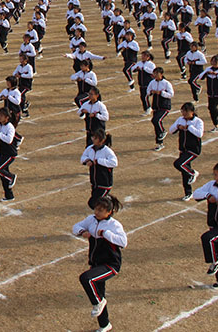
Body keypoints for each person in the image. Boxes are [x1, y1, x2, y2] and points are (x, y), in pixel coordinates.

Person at [73, 195, 127, 332]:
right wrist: (82, 231)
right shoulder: (91, 220)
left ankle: (98, 302)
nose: (97, 212)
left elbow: (123, 242)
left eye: (101, 210)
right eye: (96, 209)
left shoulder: (114, 225)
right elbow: (76, 227)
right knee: (98, 290)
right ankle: (104, 324)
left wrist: (107, 234)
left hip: (110, 264)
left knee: (86, 278)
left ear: (109, 212)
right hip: (96, 263)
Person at [0, 107, 22, 201]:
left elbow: (9, 140)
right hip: (1, 153)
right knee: (3, 176)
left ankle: (12, 177)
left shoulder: (10, 127)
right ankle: (9, 196)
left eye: (1, 116)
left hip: (9, 154)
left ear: (7, 117)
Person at [170, 102, 203, 200]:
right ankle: (188, 192)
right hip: (183, 149)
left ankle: (192, 173)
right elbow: (171, 130)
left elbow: (199, 134)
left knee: (179, 164)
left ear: (192, 112)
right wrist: (178, 127)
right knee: (184, 171)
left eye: (186, 111)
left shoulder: (198, 121)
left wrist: (189, 127)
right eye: (182, 111)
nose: (184, 113)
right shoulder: (180, 119)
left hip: (193, 150)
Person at [80, 129, 118, 209]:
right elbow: (83, 157)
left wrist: (99, 161)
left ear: (102, 140)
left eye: (95, 138)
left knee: (93, 203)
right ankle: (108, 201)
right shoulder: (90, 148)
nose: (93, 139)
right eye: (93, 137)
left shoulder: (107, 151)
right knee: (95, 201)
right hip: (94, 182)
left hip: (104, 182)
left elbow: (114, 163)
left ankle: (108, 206)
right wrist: (87, 161)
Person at [198, 54, 218, 132]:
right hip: (210, 93)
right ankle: (216, 126)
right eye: (213, 61)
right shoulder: (208, 69)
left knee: (213, 107)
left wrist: (217, 75)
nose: (213, 62)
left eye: (215, 61)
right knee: (210, 109)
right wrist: (207, 73)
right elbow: (200, 77)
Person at [148, 67, 174, 150]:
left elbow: (171, 94)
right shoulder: (152, 82)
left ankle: (163, 131)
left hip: (164, 106)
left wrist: (161, 93)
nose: (155, 75)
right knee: (156, 125)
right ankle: (160, 143)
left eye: (156, 73)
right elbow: (148, 91)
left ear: (161, 74)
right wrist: (151, 92)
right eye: (154, 73)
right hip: (156, 106)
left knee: (156, 120)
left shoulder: (166, 83)